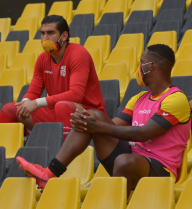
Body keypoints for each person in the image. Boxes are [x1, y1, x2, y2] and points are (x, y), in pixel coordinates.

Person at [17, 44, 191, 194]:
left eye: (141, 63)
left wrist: (98, 126)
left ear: (151, 66)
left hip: (161, 168)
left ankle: (116, 205)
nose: (138, 68)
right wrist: (86, 121)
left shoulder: (175, 99)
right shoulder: (138, 98)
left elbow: (143, 134)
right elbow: (112, 126)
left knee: (123, 159)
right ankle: (50, 173)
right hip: (132, 158)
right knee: (91, 116)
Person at [0, 15, 106, 139]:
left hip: (89, 113)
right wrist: (26, 103)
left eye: (50, 33)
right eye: (43, 33)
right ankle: (13, 156)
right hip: (57, 110)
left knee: (63, 106)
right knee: (9, 110)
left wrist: (37, 103)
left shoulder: (78, 54)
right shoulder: (42, 59)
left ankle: (63, 154)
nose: (45, 38)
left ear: (64, 36)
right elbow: (33, 91)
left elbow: (76, 95)